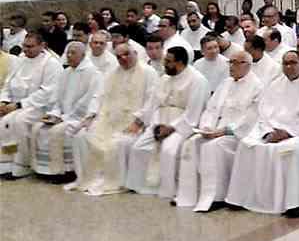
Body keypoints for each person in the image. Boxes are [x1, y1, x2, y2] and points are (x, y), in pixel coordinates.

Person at [227, 50, 299, 216]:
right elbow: (264, 112)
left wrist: (288, 133)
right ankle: (242, 198)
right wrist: (268, 132)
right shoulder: (276, 84)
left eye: (293, 63)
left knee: (292, 150)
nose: (289, 67)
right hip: (274, 130)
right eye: (285, 63)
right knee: (246, 145)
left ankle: (296, 204)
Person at [66, 42, 160, 195]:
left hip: (134, 123)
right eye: (119, 56)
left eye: (126, 54)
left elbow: (152, 101)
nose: (123, 59)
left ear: (135, 53)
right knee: (81, 136)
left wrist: (139, 122)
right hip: (107, 120)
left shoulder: (149, 73)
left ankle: (116, 180)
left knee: (119, 142)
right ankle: (88, 178)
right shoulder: (112, 72)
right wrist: (91, 115)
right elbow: (99, 96)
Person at [175, 50, 262, 212]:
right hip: (215, 130)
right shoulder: (226, 83)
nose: (231, 66)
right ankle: (189, 195)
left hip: (235, 135)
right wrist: (207, 127)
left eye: (235, 62)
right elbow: (211, 108)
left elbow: (250, 119)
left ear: (247, 65)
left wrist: (223, 131)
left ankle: (216, 197)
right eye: (230, 62)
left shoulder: (257, 86)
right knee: (191, 143)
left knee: (213, 147)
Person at [123, 46, 209, 198]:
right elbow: (152, 103)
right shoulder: (164, 78)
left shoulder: (198, 80)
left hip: (181, 125)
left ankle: (167, 190)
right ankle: (141, 186)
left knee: (168, 150)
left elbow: (194, 112)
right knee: (138, 148)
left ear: (180, 62)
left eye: (168, 61)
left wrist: (171, 128)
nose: (164, 64)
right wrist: (140, 121)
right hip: (158, 122)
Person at [12, 41, 101, 178]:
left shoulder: (93, 73)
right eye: (68, 53)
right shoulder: (66, 73)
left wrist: (65, 117)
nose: (69, 56)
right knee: (39, 128)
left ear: (83, 55)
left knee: (59, 132)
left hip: (81, 118)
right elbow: (57, 98)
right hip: (62, 115)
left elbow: (89, 99)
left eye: (73, 53)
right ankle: (44, 170)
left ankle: (65, 171)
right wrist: (55, 113)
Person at [0, 33, 62, 176]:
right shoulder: (21, 59)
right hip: (14, 105)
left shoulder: (51, 63)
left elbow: (46, 92)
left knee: (18, 121)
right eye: (24, 46)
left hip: (39, 107)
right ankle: (7, 163)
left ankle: (22, 164)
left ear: (42, 46)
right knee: (4, 121)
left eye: (30, 47)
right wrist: (4, 101)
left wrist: (18, 105)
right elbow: (8, 84)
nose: (26, 50)